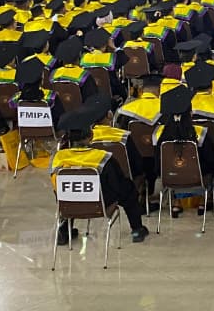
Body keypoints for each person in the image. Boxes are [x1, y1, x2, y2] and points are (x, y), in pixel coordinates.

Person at [51, 95, 150, 244]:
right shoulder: (103, 157)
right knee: (128, 190)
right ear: (90, 136)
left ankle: (64, 231)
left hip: (69, 204)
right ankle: (137, 230)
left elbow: (55, 187)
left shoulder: (59, 158)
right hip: (101, 204)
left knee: (68, 192)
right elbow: (117, 185)